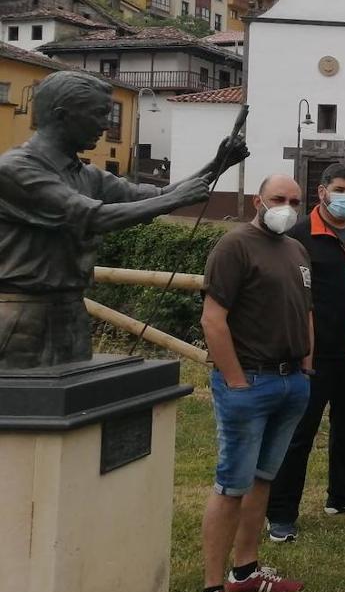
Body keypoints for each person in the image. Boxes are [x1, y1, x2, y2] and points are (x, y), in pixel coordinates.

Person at [0, 70, 244, 370]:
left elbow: (154, 195)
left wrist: (217, 165)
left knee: (80, 407)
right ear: (62, 115)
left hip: (70, 309)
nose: (106, 124)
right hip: (22, 313)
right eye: (100, 114)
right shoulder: (15, 170)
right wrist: (175, 200)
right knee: (23, 409)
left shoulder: (85, 174)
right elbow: (92, 216)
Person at [196, 174, 313, 592]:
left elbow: (306, 313)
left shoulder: (297, 250)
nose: (287, 206)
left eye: (295, 201)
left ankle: (245, 569)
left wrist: (306, 368)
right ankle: (211, 591)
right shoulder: (234, 247)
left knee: (263, 479)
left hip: (291, 383)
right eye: (279, 199)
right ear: (257, 201)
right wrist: (237, 382)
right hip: (249, 383)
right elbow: (213, 320)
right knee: (231, 486)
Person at [266, 164, 345, 542]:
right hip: (313, 356)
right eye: (339, 188)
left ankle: (343, 494)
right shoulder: (300, 235)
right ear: (322, 192)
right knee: (299, 433)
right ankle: (281, 512)